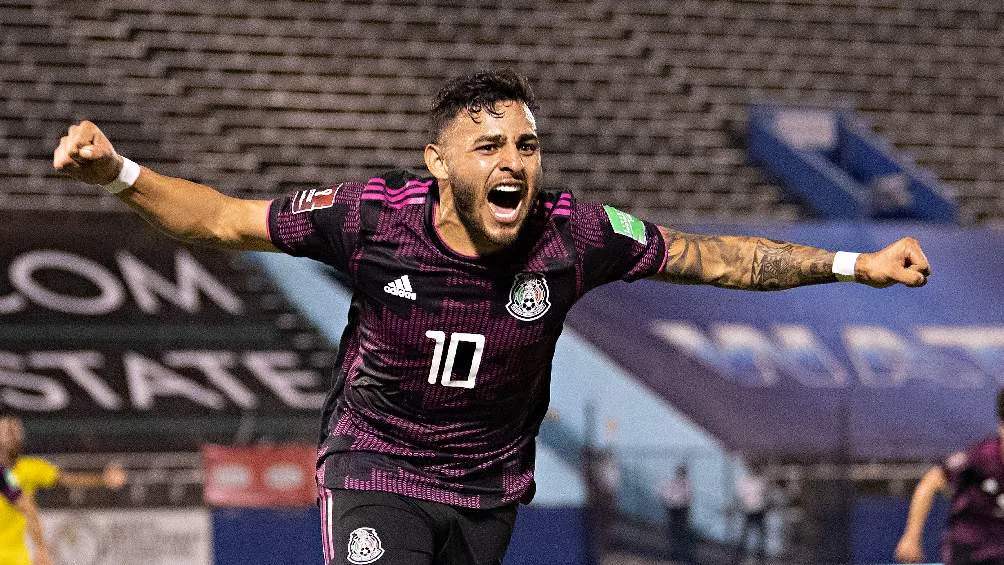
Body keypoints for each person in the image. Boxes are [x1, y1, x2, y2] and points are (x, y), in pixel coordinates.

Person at [52, 69, 930, 565]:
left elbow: (712, 256)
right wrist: (121, 175)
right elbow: (221, 218)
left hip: (488, 493)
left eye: (527, 145)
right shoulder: (368, 218)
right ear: (437, 162)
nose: (515, 161)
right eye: (490, 146)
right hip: (378, 467)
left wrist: (856, 264)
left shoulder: (574, 234)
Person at [894, 389, 1004, 565]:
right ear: (1001, 426)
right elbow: (931, 482)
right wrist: (911, 536)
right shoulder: (980, 457)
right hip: (968, 552)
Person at [0, 416, 127, 565]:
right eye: (6, 431)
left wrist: (103, 479)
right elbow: (26, 506)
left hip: (13, 556)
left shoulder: (20, 471)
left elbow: (67, 480)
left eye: (12, 431)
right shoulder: (7, 475)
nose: (9, 436)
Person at [733, 464, 770, 564]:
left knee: (760, 534)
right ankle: (740, 553)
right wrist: (743, 505)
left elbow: (766, 495)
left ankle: (760, 554)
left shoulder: (761, 481)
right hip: (749, 510)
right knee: (746, 533)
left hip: (759, 510)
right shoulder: (745, 481)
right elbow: (740, 496)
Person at [660, 464, 695, 564]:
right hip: (673, 509)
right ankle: (673, 553)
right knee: (673, 532)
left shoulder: (686, 484)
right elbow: (665, 493)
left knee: (680, 532)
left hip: (682, 510)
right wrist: (668, 501)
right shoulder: (672, 483)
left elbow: (688, 497)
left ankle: (681, 554)